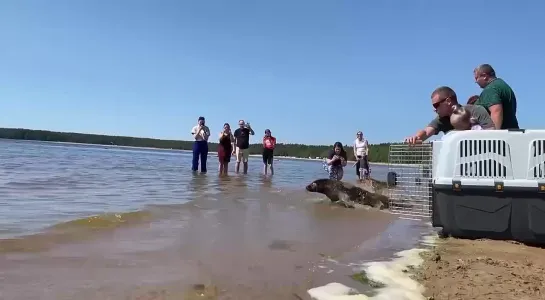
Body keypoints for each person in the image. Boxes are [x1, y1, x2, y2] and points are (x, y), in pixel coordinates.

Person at [405, 86, 495, 144]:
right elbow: (426, 132)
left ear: (448, 101)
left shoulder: (477, 111)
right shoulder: (441, 119)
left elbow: (493, 135)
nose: (434, 109)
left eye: (436, 105)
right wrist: (415, 137)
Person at [473, 64, 519, 130]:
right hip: (510, 134)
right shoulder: (502, 85)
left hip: (500, 137)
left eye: (476, 78)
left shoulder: (491, 89)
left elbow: (496, 111)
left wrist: (493, 136)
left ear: (484, 76)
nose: (476, 82)